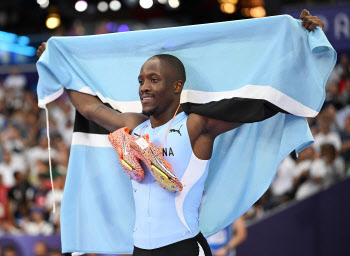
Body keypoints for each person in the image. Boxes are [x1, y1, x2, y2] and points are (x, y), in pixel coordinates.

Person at [37, 10, 324, 256]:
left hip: (183, 248)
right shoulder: (134, 125)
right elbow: (90, 109)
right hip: (140, 249)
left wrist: (302, 45)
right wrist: (56, 64)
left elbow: (260, 104)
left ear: (177, 86)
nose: (143, 87)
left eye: (153, 79)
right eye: (140, 81)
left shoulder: (195, 125)